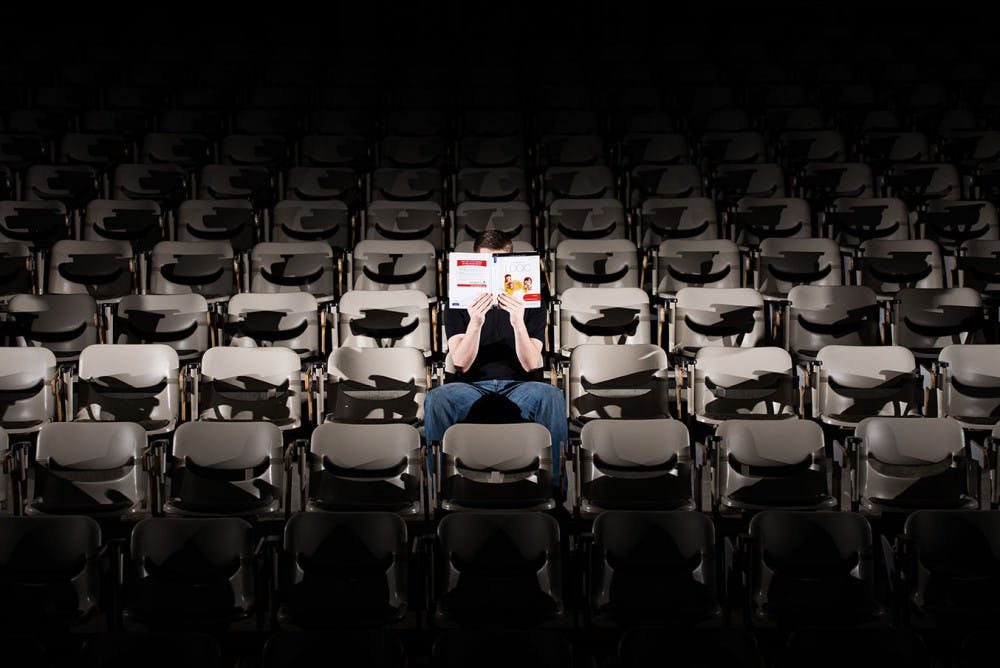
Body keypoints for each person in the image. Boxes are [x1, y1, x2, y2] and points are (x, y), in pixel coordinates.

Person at [425, 229, 567, 485]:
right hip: (471, 387)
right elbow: (461, 363)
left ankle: (553, 486)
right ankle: (440, 487)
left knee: (552, 396)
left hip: (520, 386)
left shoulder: (533, 304)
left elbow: (531, 363)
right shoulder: (456, 304)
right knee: (437, 398)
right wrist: (475, 323)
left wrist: (517, 322)